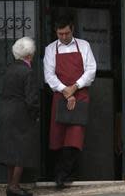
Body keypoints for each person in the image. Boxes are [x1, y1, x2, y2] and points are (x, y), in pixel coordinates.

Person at [43, 16, 97, 189]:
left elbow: (91, 70)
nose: (64, 37)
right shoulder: (50, 49)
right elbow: (49, 75)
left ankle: (63, 174)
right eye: (60, 34)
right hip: (60, 96)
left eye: (66, 33)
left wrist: (75, 87)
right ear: (56, 32)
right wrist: (65, 91)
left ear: (72, 29)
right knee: (57, 136)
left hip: (80, 96)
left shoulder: (84, 45)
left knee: (75, 136)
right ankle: (59, 173)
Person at [0, 37, 39, 196]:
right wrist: (35, 114)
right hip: (21, 114)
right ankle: (14, 187)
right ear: (29, 55)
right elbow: (31, 99)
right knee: (21, 150)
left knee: (11, 150)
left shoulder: (9, 70)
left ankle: (11, 186)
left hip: (7, 112)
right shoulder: (27, 72)